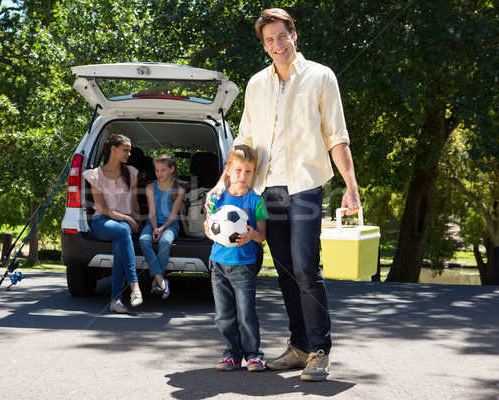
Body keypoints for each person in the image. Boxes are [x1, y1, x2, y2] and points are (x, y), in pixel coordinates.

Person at [208, 8, 360, 381]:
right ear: (264, 46)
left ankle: (320, 351)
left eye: (282, 36)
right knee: (286, 272)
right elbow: (244, 139)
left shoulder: (321, 76)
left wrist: (351, 187)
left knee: (307, 268)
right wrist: (222, 181)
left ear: (294, 35)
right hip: (266, 189)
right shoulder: (257, 84)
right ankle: (299, 347)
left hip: (305, 186)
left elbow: (336, 136)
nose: (277, 45)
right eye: (269, 40)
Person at [205, 145, 268, 372]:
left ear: (254, 173)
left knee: (246, 313)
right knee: (223, 314)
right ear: (228, 170)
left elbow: (262, 236)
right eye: (238, 170)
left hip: (244, 266)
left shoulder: (256, 201)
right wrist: (208, 228)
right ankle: (232, 353)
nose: (243, 176)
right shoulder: (217, 199)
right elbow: (209, 230)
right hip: (218, 264)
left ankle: (253, 354)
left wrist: (252, 234)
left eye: (248, 171)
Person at [83, 134, 143, 314]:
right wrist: (128, 219)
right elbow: (101, 209)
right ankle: (134, 286)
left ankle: (115, 299)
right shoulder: (96, 175)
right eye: (125, 150)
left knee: (122, 237)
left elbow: (134, 204)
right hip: (102, 222)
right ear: (113, 150)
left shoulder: (131, 172)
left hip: (122, 225)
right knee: (123, 231)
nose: (129, 154)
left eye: (130, 150)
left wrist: (140, 225)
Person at [138, 153, 185, 300]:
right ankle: (160, 279)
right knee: (144, 240)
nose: (159, 173)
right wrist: (154, 227)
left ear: (171, 169)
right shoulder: (151, 187)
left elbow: (173, 215)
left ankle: (155, 281)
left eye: (163, 170)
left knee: (165, 242)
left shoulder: (179, 189)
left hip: (170, 225)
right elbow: (151, 212)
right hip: (152, 223)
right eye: (157, 170)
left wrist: (162, 228)